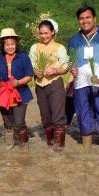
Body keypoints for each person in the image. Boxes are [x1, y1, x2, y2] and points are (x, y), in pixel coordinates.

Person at [67, 6, 99, 149]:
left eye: (88, 17)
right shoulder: (73, 40)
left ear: (94, 18)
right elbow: (70, 61)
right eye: (81, 18)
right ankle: (87, 149)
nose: (85, 21)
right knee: (83, 112)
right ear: (78, 20)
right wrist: (71, 68)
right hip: (80, 83)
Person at [28, 19, 69, 150]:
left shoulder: (59, 47)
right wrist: (35, 71)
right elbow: (30, 64)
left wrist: (55, 70)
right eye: (41, 33)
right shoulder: (34, 47)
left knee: (57, 113)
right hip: (40, 84)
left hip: (55, 83)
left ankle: (59, 142)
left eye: (46, 33)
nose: (44, 36)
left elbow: (65, 67)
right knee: (45, 115)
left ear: (52, 32)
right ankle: (50, 138)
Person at [0, 28, 33, 149]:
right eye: (7, 44)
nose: (10, 47)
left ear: (16, 44)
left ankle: (24, 143)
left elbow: (29, 76)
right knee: (7, 121)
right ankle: (10, 142)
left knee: (19, 122)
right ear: (3, 45)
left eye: (12, 44)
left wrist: (18, 82)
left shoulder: (23, 57)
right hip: (4, 92)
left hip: (21, 93)